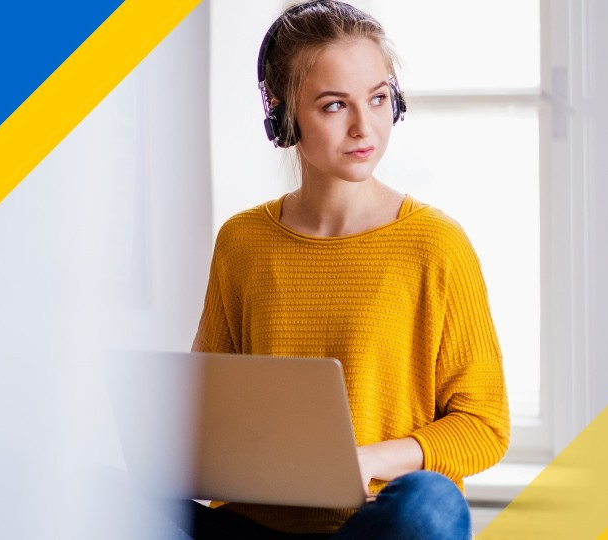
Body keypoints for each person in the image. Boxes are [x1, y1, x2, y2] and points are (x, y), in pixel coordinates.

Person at [189, 1, 509, 538]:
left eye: (379, 99)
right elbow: (205, 406)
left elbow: (485, 427)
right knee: (97, 486)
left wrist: (367, 460)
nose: (366, 126)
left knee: (431, 504)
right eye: (335, 106)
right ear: (285, 117)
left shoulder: (436, 245)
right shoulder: (241, 243)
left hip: (374, 523)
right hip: (251, 524)